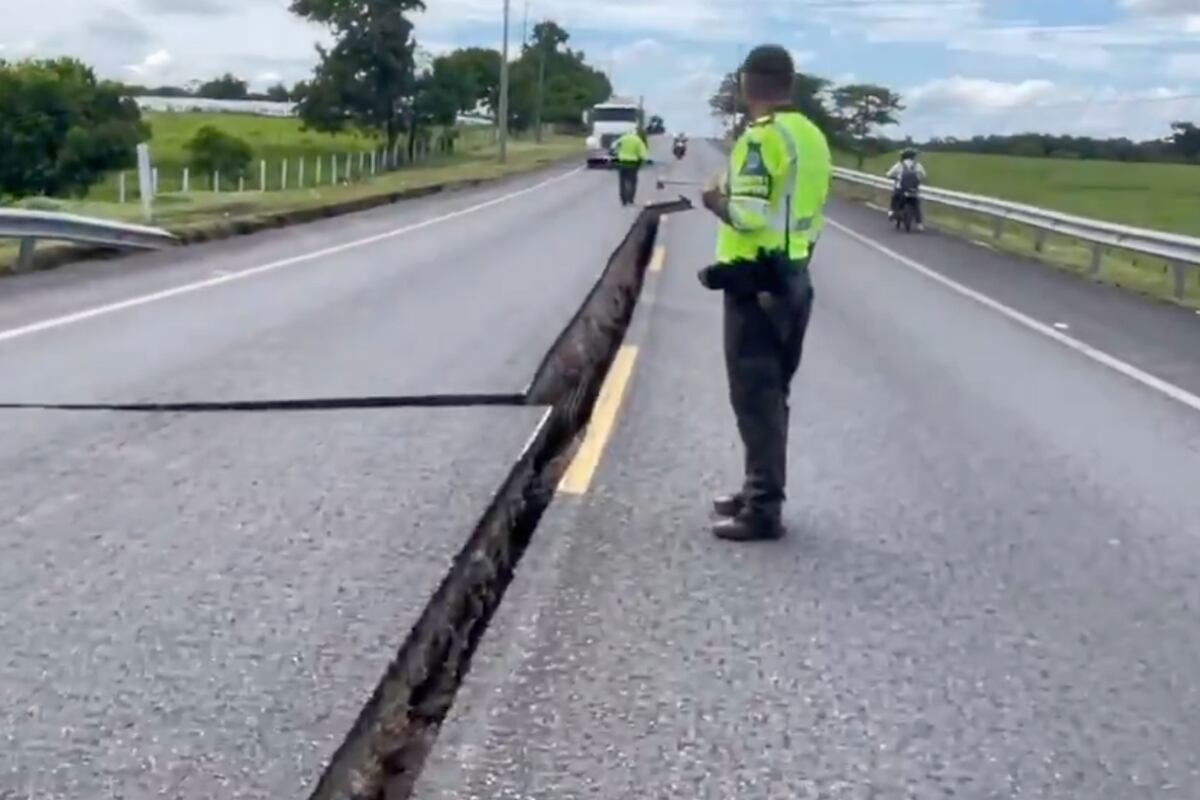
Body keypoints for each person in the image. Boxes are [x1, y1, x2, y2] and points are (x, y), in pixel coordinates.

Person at [697, 44, 832, 542]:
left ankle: (762, 509)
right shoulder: (811, 136)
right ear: (789, 85)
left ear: (746, 85)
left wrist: (715, 201)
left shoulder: (762, 138)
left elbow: (750, 215)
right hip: (794, 279)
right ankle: (759, 488)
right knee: (773, 397)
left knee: (755, 398)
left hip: (757, 286)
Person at [886, 148, 927, 230]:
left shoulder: (899, 164)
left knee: (894, 199)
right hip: (913, 189)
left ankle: (891, 213)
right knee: (916, 205)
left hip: (900, 189)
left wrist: (893, 176)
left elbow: (889, 174)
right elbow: (924, 175)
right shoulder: (917, 165)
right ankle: (919, 224)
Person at [611, 129, 649, 206]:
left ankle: (623, 199)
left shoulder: (623, 138)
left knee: (622, 181)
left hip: (622, 163)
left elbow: (614, 147)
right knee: (632, 181)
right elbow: (643, 154)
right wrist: (642, 162)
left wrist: (616, 156)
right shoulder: (638, 140)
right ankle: (630, 198)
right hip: (633, 164)